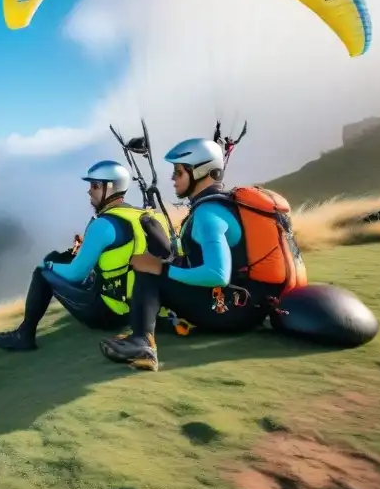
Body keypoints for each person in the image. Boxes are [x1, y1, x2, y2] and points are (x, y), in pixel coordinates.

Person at [99, 136, 276, 371]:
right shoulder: (221, 206)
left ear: (200, 173)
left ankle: (142, 343)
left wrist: (161, 268)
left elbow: (217, 274)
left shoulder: (207, 215)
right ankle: (146, 330)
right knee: (160, 267)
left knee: (150, 273)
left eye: (179, 172)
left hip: (231, 313)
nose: (172, 178)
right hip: (248, 307)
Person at [0, 160, 174, 354]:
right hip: (142, 310)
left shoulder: (103, 224)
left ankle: (24, 335)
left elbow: (76, 274)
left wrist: (50, 266)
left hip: (109, 314)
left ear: (110, 188)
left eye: (95, 186)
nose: (89, 191)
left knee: (42, 272)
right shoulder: (149, 216)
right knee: (62, 259)